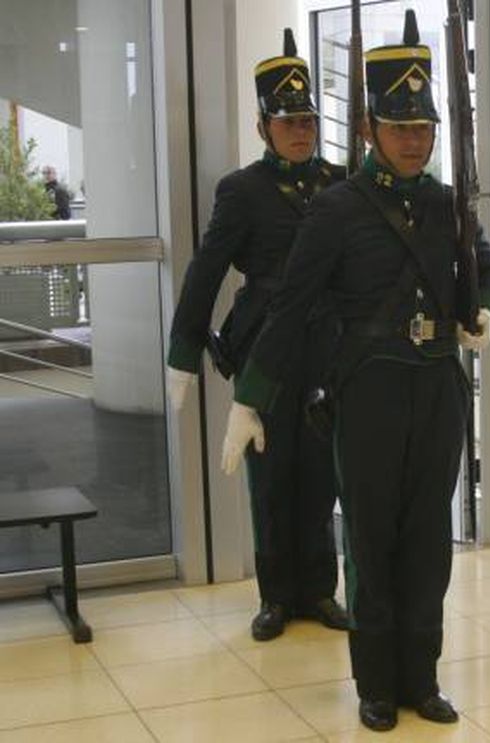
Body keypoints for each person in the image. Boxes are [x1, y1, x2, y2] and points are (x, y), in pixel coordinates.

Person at [224, 11, 490, 732]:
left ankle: (423, 674)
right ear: (372, 129)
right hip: (370, 387)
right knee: (373, 539)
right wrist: (249, 398)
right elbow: (289, 309)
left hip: (439, 385)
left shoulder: (448, 204)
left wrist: (486, 310)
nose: (415, 140)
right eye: (400, 127)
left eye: (424, 128)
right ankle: (377, 682)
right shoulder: (337, 209)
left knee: (428, 542)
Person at [165, 29, 349, 641]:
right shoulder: (242, 190)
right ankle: (276, 596)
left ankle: (320, 590)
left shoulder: (340, 183)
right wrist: (183, 351)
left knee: (322, 471)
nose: (301, 131)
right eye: (288, 120)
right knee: (271, 473)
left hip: (328, 344)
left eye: (308, 120)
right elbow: (207, 268)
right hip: (266, 346)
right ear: (263, 125)